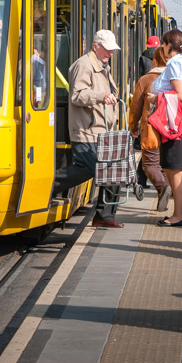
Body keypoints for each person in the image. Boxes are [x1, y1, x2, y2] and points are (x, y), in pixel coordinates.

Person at [53, 29, 124, 229]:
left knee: (113, 170)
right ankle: (50, 184)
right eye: (107, 49)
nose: (110, 53)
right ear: (95, 46)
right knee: (91, 168)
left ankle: (105, 215)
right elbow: (77, 96)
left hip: (101, 131)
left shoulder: (102, 65)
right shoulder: (84, 65)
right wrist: (101, 96)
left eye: (112, 50)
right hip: (86, 131)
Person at [151, 28, 182, 226]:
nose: (161, 47)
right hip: (175, 123)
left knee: (176, 169)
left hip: (177, 124)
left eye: (163, 44)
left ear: (169, 45)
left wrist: (156, 98)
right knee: (172, 168)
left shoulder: (176, 63)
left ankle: (177, 215)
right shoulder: (179, 62)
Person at [129, 44, 170, 212]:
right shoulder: (175, 78)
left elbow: (135, 107)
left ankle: (163, 187)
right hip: (173, 130)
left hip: (152, 129)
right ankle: (166, 197)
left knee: (150, 165)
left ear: (154, 61)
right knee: (168, 165)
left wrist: (133, 126)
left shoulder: (146, 79)